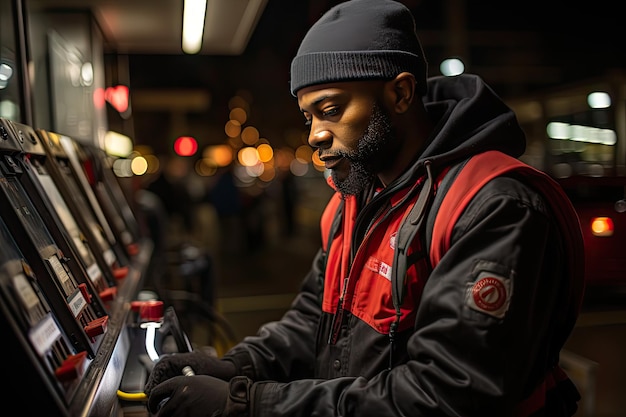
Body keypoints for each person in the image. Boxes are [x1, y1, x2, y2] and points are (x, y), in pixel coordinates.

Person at [143, 0, 586, 416]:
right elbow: (313, 318)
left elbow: (449, 393)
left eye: (331, 109)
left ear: (400, 94)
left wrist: (248, 403)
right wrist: (239, 365)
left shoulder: (492, 206)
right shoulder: (353, 201)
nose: (315, 134)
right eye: (308, 116)